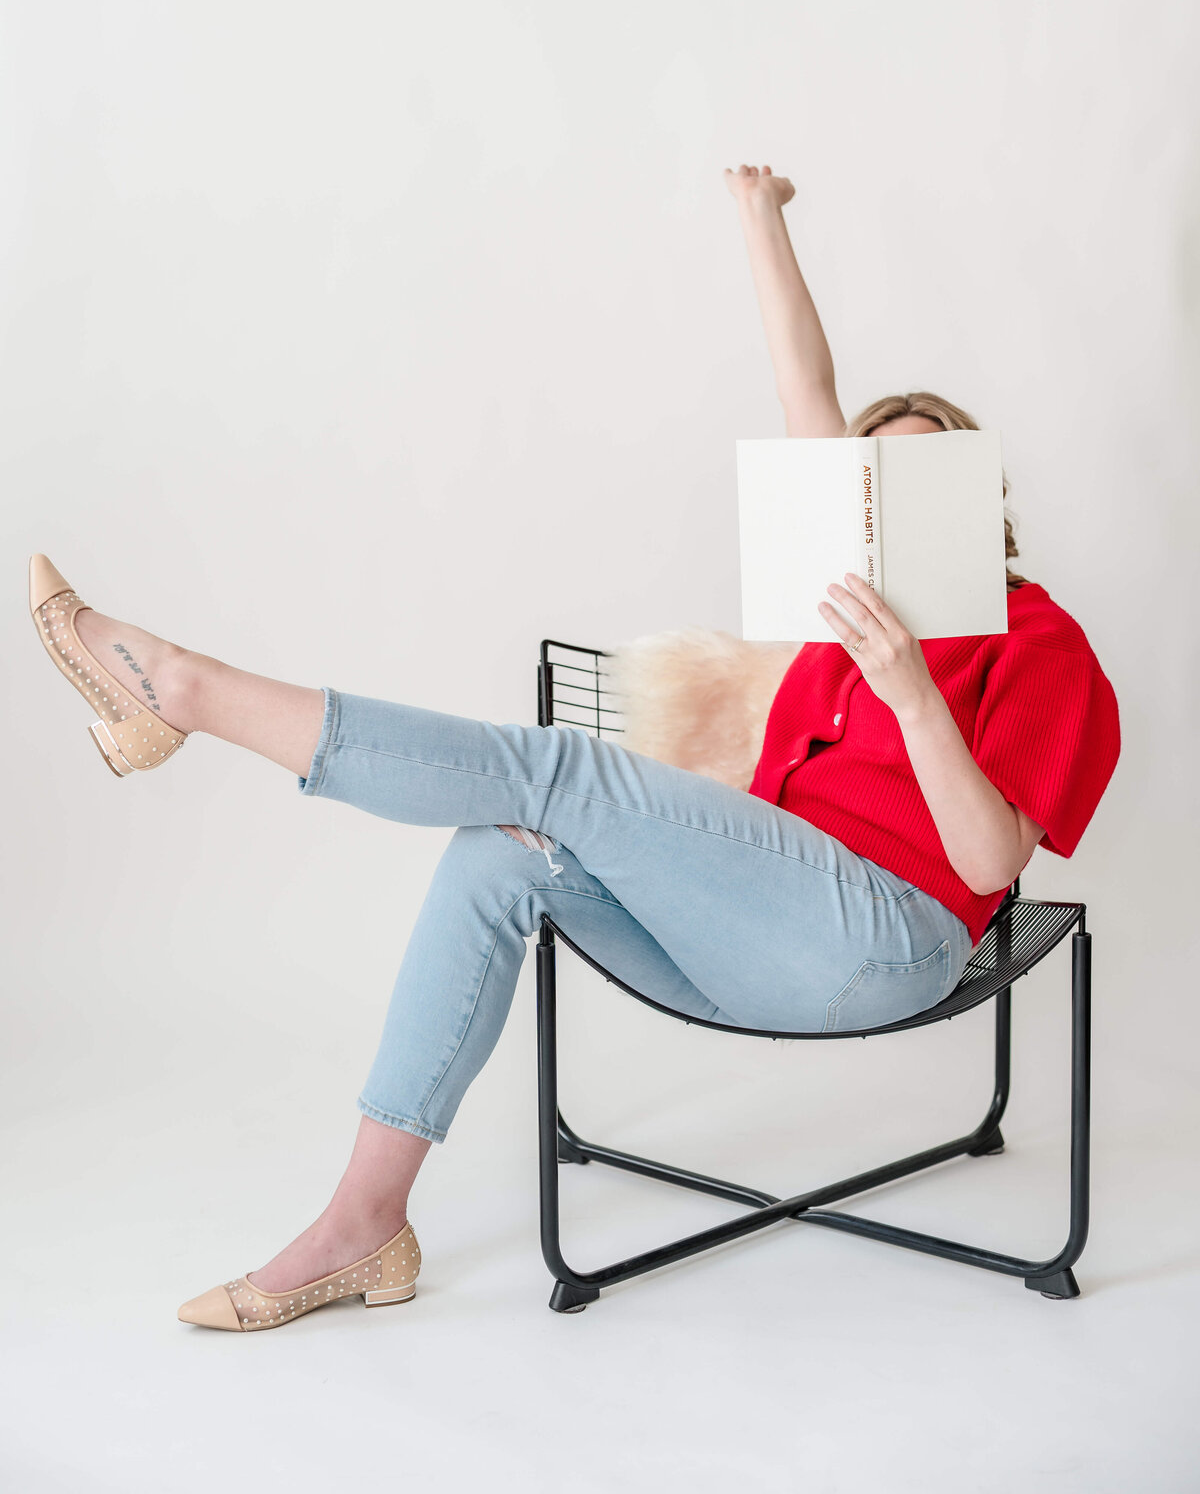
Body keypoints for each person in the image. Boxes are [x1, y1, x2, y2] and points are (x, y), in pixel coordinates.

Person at [28, 164, 1119, 1334]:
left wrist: (914, 696)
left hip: (891, 940)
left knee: (561, 772)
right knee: (502, 854)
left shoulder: (1042, 640)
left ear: (979, 500)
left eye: (922, 472)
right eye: (873, 474)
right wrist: (759, 217)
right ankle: (364, 1227)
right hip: (756, 935)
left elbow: (992, 862)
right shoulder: (838, 620)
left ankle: (184, 688)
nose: (889, 493)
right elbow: (810, 387)